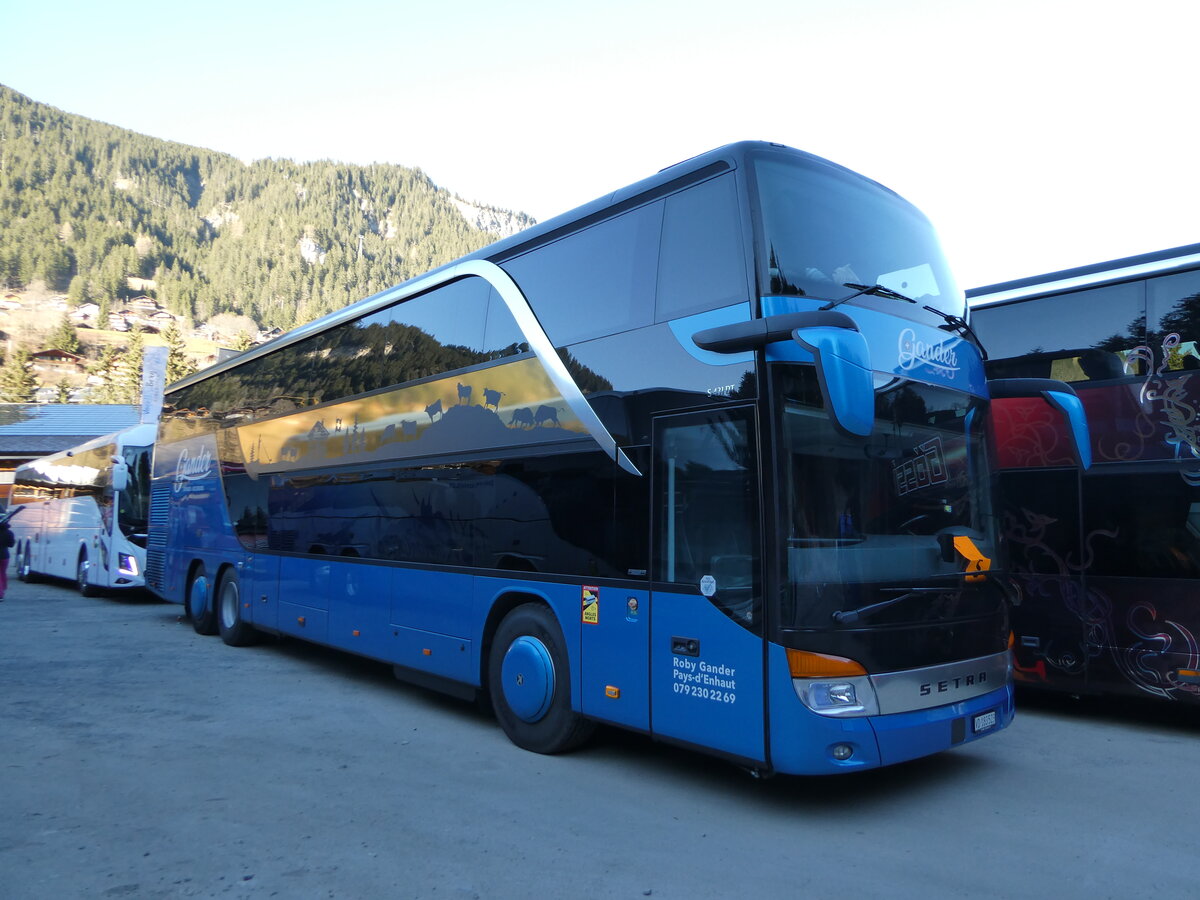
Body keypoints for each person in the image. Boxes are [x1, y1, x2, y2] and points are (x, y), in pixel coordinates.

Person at [0, 515, 13, 600]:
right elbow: (11, 545)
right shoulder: (9, 532)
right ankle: (3, 588)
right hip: (5, 556)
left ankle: (0, 593)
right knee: (2, 573)